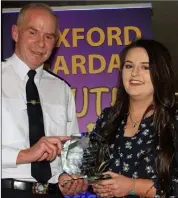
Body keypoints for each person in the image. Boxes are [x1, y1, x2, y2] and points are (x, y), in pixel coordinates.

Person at [2, 3, 87, 198]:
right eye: (33, 33)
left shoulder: (62, 89)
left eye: (48, 37)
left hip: (52, 193)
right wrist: (25, 154)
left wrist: (69, 177)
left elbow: (71, 151)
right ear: (15, 33)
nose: (41, 44)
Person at [84, 39, 178, 197]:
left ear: (161, 73)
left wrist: (132, 186)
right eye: (129, 66)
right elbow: (91, 170)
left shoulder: (173, 120)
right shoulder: (108, 117)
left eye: (145, 67)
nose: (134, 73)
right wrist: (94, 183)